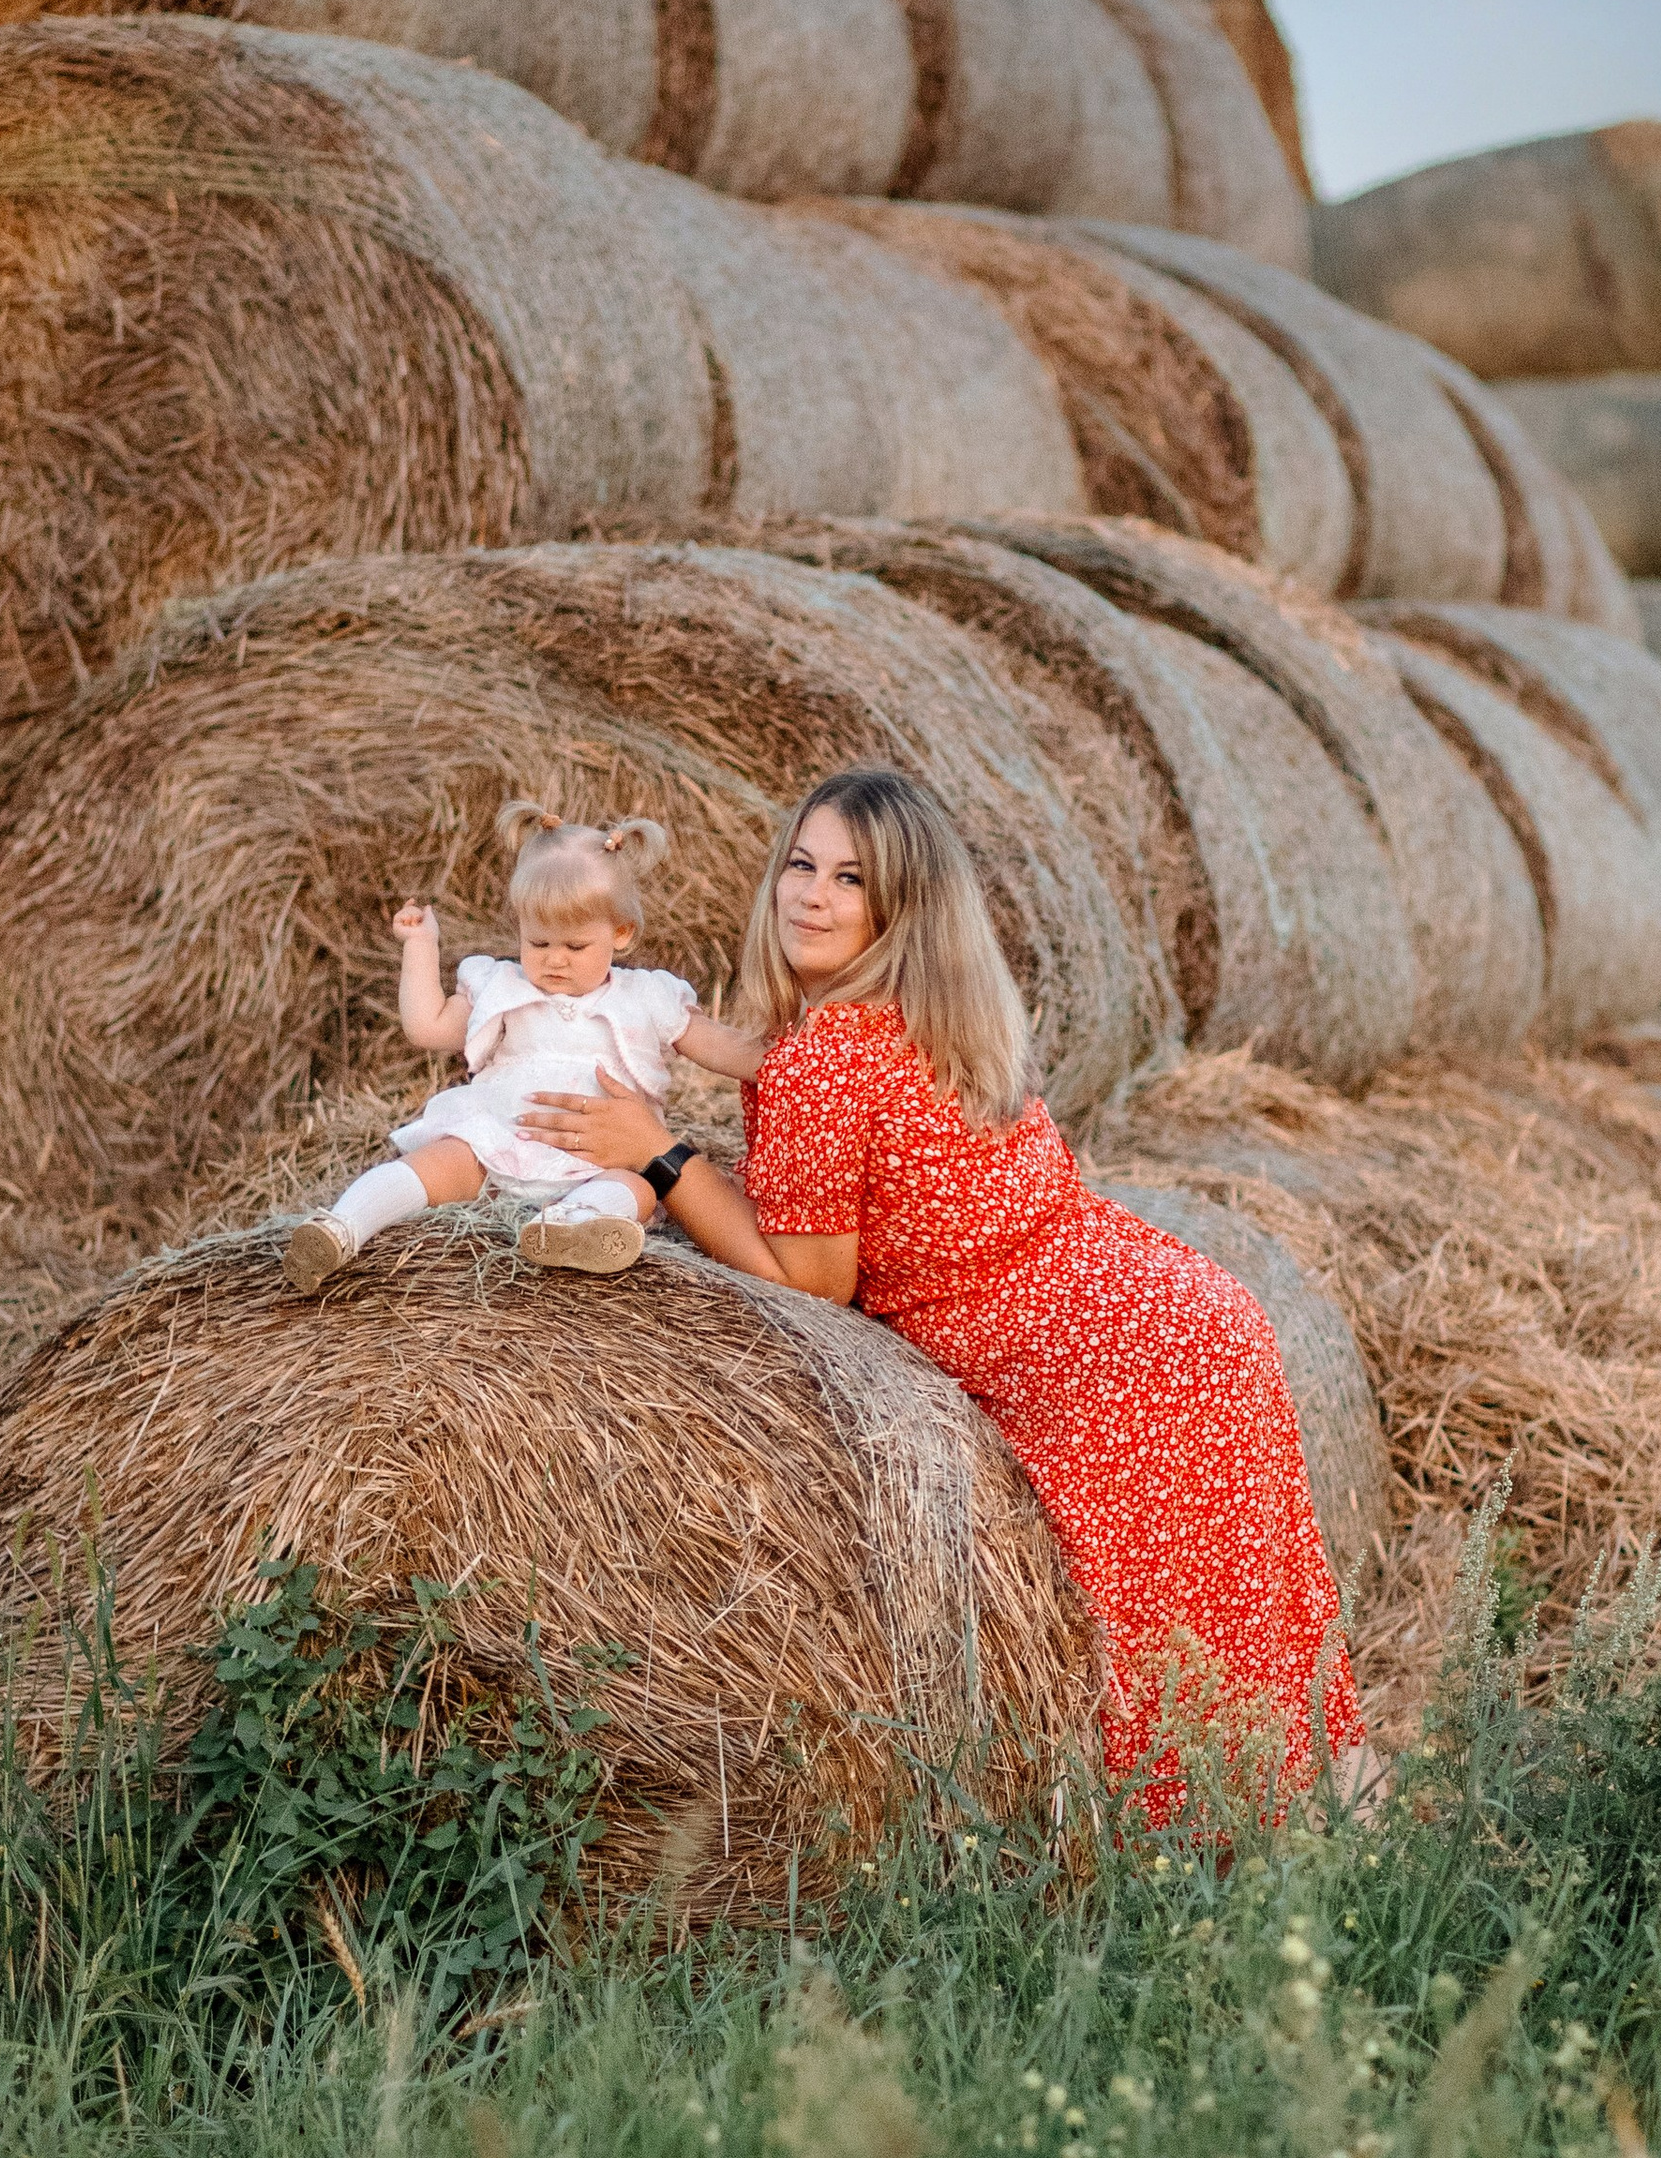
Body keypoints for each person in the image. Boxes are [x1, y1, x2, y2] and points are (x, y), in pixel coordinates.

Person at [518, 761, 1381, 1818]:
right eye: (801, 866)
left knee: (1158, 1658)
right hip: (1181, 1314)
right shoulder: (929, 1015)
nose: (812, 897)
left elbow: (810, 1283)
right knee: (1242, 1631)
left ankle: (1198, 1857)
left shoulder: (825, 1059)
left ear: (901, 906)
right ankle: (1311, 1833)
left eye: (851, 879)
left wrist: (659, 1155)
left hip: (1109, 1369)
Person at [282, 802, 762, 1294]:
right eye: (538, 943)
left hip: (599, 1162)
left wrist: (788, 1058)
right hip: (496, 1146)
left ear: (621, 933)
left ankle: (572, 1226)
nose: (555, 960)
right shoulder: (501, 985)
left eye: (575, 947)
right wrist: (420, 945)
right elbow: (426, 1027)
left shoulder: (646, 998)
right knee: (433, 1164)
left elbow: (722, 1047)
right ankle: (342, 1227)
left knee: (639, 1188)